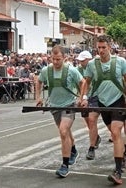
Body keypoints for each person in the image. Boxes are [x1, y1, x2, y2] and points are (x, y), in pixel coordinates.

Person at [81, 35, 126, 185]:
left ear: (109, 47)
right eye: (98, 48)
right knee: (113, 132)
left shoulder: (120, 62)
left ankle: (118, 172)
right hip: (103, 103)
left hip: (118, 101)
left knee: (115, 132)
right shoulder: (92, 64)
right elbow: (86, 82)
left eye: (103, 48)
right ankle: (123, 153)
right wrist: (84, 98)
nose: (101, 51)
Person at [35, 45, 86, 178]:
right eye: (53, 59)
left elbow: (83, 82)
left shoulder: (71, 70)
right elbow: (38, 81)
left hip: (69, 104)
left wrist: (82, 98)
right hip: (54, 106)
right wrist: (38, 97)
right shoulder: (47, 70)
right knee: (65, 132)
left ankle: (65, 165)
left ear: (64, 58)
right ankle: (73, 150)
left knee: (63, 131)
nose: (56, 62)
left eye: (58, 59)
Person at [76, 51, 101, 160]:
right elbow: (79, 84)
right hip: (85, 97)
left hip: (96, 96)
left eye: (83, 60)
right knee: (88, 121)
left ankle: (92, 146)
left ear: (89, 59)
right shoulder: (78, 70)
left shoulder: (96, 67)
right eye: (80, 61)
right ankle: (95, 137)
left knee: (91, 120)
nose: (81, 62)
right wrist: (80, 97)